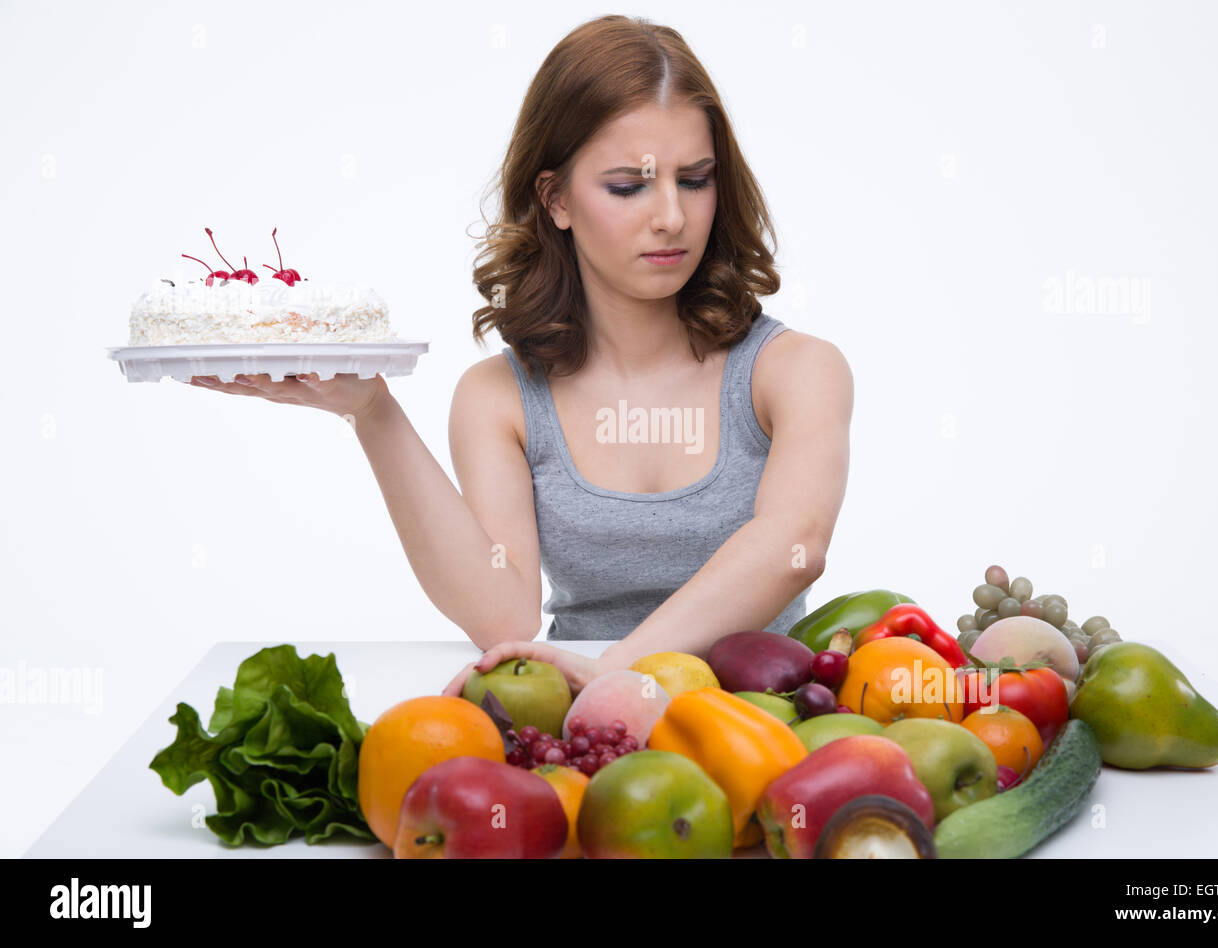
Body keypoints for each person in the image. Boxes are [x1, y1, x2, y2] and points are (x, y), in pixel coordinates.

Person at [188, 15, 852, 698]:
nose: (672, 217)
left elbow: (793, 547)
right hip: (586, 739)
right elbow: (503, 614)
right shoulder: (500, 397)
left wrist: (614, 667)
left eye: (695, 179)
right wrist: (372, 413)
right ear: (555, 198)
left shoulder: (794, 370)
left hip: (764, 736)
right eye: (629, 186)